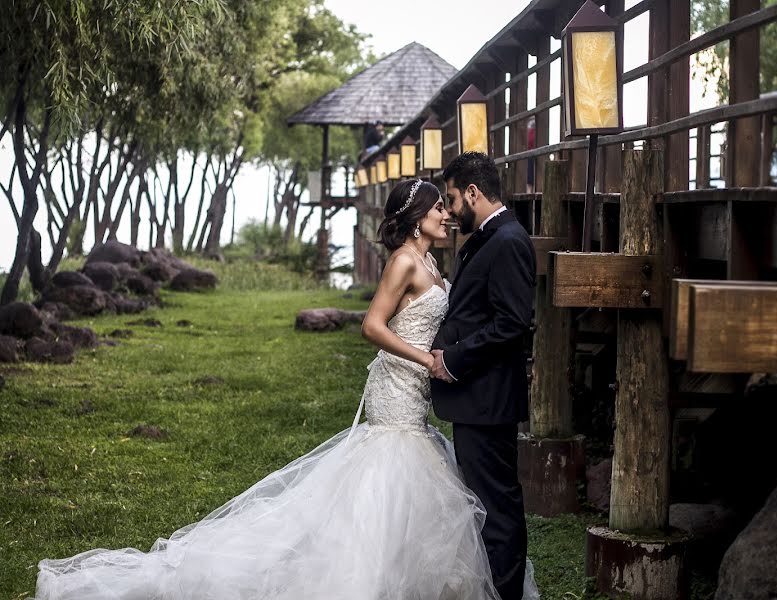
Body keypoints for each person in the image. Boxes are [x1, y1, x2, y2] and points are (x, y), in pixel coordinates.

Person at [32, 179, 539, 600]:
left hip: (417, 398)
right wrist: (426, 358)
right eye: (436, 208)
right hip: (398, 388)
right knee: (388, 480)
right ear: (415, 219)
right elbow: (372, 326)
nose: (445, 216)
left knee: (423, 484)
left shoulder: (432, 264)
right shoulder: (405, 261)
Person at [429, 152, 537, 600]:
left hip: (488, 399)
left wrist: (453, 358)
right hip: (478, 398)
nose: (450, 212)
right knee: (486, 506)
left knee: (498, 509)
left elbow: (513, 323)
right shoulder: (486, 236)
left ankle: (505, 593)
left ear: (473, 192)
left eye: (452, 200)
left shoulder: (508, 240)